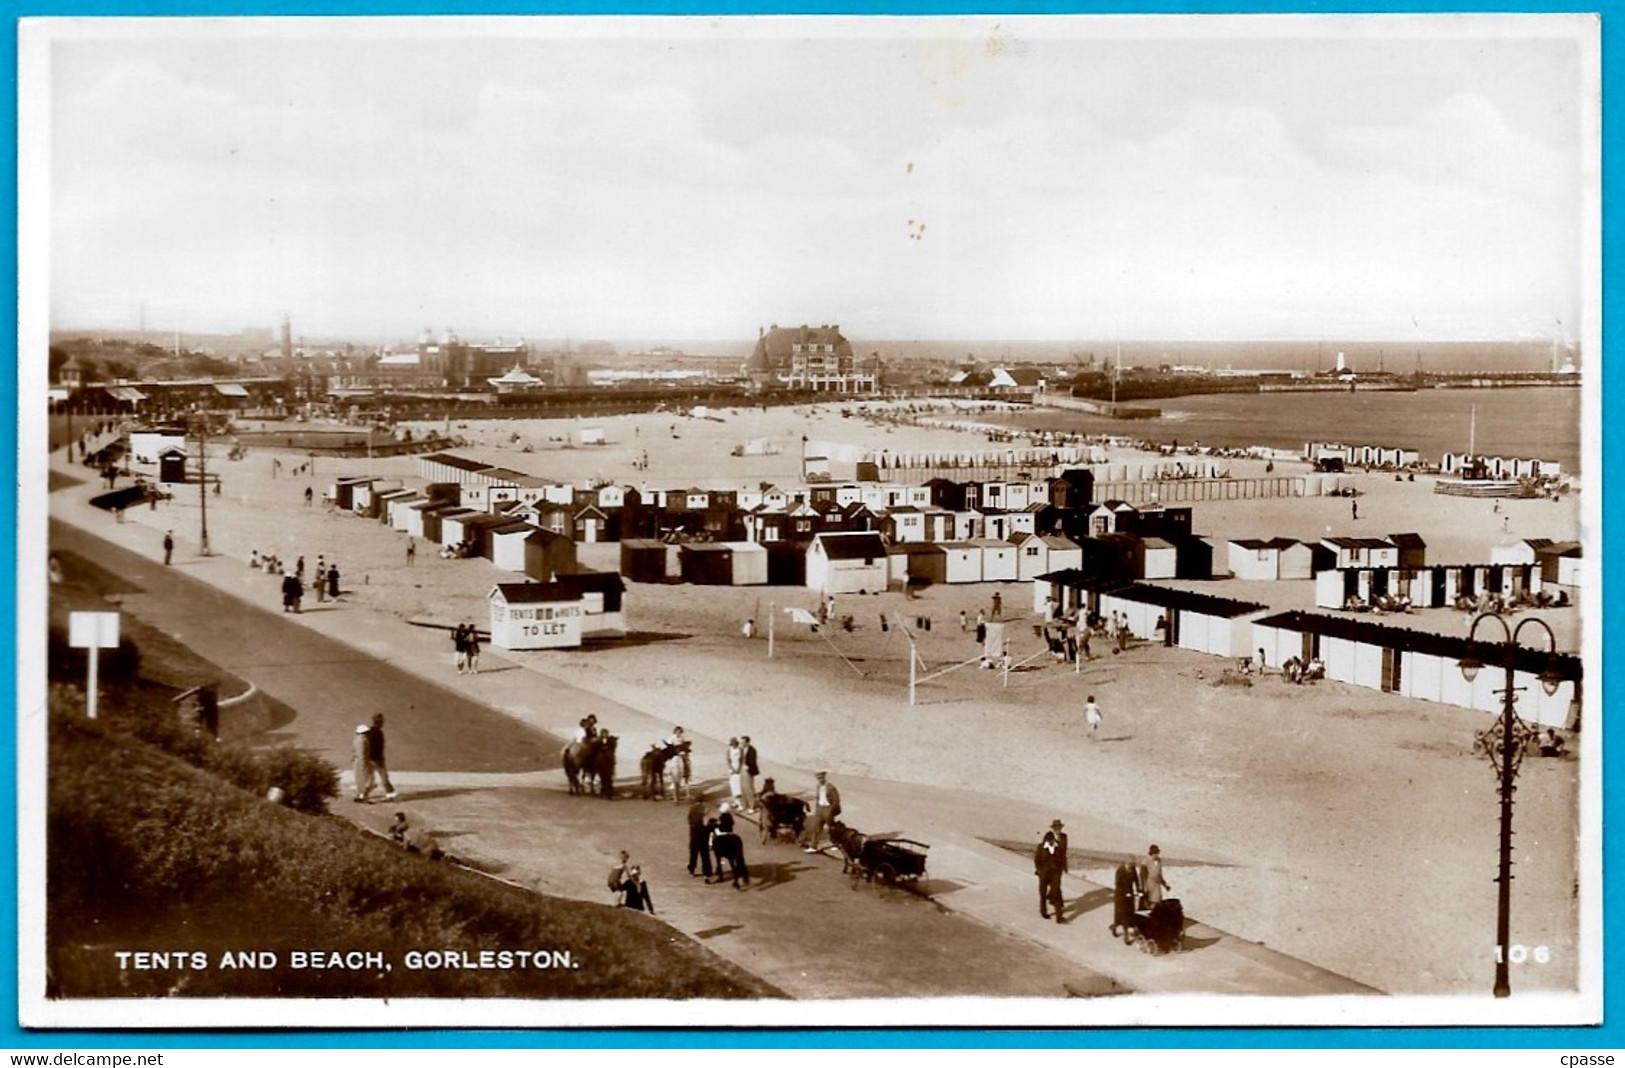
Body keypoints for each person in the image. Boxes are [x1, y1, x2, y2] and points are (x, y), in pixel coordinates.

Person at [801, 770, 841, 854]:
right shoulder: (818, 786)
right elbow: (818, 799)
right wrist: (817, 809)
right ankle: (813, 846)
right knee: (817, 828)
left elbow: (836, 800)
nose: (820, 779)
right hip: (820, 809)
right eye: (818, 778)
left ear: (824, 777)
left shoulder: (831, 787)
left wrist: (831, 810)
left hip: (828, 809)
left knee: (832, 828)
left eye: (821, 778)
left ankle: (835, 844)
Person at [1034, 830, 1066, 923]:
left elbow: (1062, 860)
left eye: (1051, 841)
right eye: (1048, 841)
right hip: (1044, 875)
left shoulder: (1058, 847)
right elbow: (1037, 860)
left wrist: (1059, 871)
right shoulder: (1040, 847)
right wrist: (1040, 871)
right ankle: (1043, 912)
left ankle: (1059, 917)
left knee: (1056, 894)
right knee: (1043, 894)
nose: (1050, 842)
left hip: (1055, 875)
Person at [367, 713, 397, 800]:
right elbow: (380, 747)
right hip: (378, 758)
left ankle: (364, 793)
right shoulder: (379, 733)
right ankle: (389, 792)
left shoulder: (369, 732)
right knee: (383, 775)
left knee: (370, 776)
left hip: (369, 758)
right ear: (380, 722)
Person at [1111, 857, 1141, 938]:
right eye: (1129, 865)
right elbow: (1118, 884)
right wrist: (1125, 893)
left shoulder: (1133, 869)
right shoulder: (1120, 871)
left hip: (1130, 894)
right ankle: (1117, 928)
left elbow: (1136, 881)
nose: (1130, 867)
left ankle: (1130, 926)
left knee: (1131, 911)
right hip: (1120, 895)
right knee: (1122, 914)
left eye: (1132, 865)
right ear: (1126, 863)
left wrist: (1139, 890)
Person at [686, 795, 713, 879]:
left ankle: (691, 870)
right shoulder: (704, 810)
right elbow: (706, 823)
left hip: (694, 835)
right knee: (705, 855)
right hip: (703, 835)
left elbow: (689, 821)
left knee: (693, 854)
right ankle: (707, 873)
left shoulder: (691, 809)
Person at [351, 723, 375, 802]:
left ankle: (362, 794)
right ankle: (362, 795)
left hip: (360, 761)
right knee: (364, 778)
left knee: (361, 778)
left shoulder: (358, 739)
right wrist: (363, 764)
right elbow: (361, 753)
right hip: (362, 761)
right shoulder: (362, 741)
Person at [740, 735, 759, 813]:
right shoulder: (741, 749)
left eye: (743, 742)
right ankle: (744, 804)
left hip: (748, 771)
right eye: (741, 742)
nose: (742, 744)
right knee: (742, 788)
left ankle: (752, 806)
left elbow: (752, 761)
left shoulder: (752, 750)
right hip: (742, 770)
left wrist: (747, 767)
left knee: (749, 789)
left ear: (747, 742)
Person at [726, 738, 744, 807]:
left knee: (738, 785)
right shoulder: (729, 750)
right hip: (732, 768)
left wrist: (739, 769)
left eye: (734, 744)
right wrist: (732, 769)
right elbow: (728, 761)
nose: (733, 745)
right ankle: (735, 801)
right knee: (733, 785)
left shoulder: (740, 750)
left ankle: (739, 802)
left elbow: (741, 759)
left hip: (738, 768)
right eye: (732, 744)